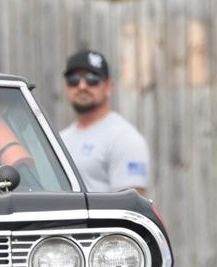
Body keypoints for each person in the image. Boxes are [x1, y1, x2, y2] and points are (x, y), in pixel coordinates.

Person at [59, 49, 150, 195]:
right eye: (73, 79)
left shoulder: (125, 139)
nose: (82, 86)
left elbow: (129, 208)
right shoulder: (60, 139)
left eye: (92, 78)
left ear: (108, 87)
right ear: (66, 87)